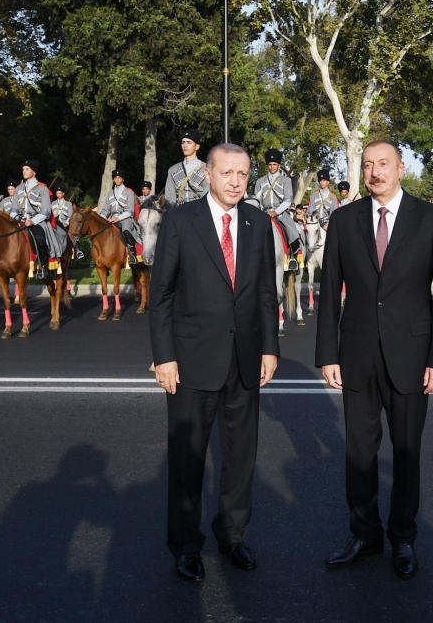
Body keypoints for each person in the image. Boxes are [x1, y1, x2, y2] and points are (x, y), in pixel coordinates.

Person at [315, 138, 433, 580]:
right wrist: (327, 354)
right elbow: (329, 295)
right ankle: (364, 535)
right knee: (358, 453)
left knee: (406, 452)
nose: (375, 172)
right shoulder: (343, 220)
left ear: (401, 168)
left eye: (383, 164)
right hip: (356, 355)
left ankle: (403, 539)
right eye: (367, 165)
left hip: (413, 359)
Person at [148, 143, 279, 583]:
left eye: (243, 174)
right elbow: (161, 294)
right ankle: (186, 545)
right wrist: (163, 356)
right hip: (189, 362)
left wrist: (269, 348)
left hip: (244, 360)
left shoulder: (258, 223)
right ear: (209, 174)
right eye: (228, 173)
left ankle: (233, 536)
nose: (236, 182)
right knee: (188, 459)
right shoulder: (181, 221)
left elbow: (265, 293)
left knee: (241, 457)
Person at [1, 159, 60, 272]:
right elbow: (14, 209)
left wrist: (32, 221)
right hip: (21, 220)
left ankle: (43, 266)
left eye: (27, 169)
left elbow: (46, 211)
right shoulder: (18, 189)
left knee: (40, 238)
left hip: (38, 221)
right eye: (23, 169)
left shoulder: (42, 189)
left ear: (34, 172)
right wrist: (17, 217)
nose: (24, 171)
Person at [252, 149, 302, 269]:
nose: (272, 167)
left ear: (279, 165)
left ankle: (292, 259)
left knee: (292, 231)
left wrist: (275, 212)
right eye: (270, 164)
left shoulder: (286, 180)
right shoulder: (260, 181)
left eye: (274, 164)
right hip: (264, 213)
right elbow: (257, 199)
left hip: (280, 213)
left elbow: (288, 200)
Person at [101, 169, 143, 263]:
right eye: (115, 178)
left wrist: (118, 218)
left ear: (123, 179)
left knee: (126, 230)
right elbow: (105, 209)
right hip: (111, 218)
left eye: (120, 177)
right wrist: (102, 218)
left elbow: (131, 211)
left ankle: (133, 255)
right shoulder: (110, 193)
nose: (117, 179)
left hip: (125, 218)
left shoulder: (129, 192)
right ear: (113, 180)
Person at [164, 129, 209, 208]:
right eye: (183, 142)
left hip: (199, 210)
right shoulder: (173, 170)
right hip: (180, 212)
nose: (185, 145)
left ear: (197, 146)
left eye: (189, 142)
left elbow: (208, 193)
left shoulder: (207, 169)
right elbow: (169, 197)